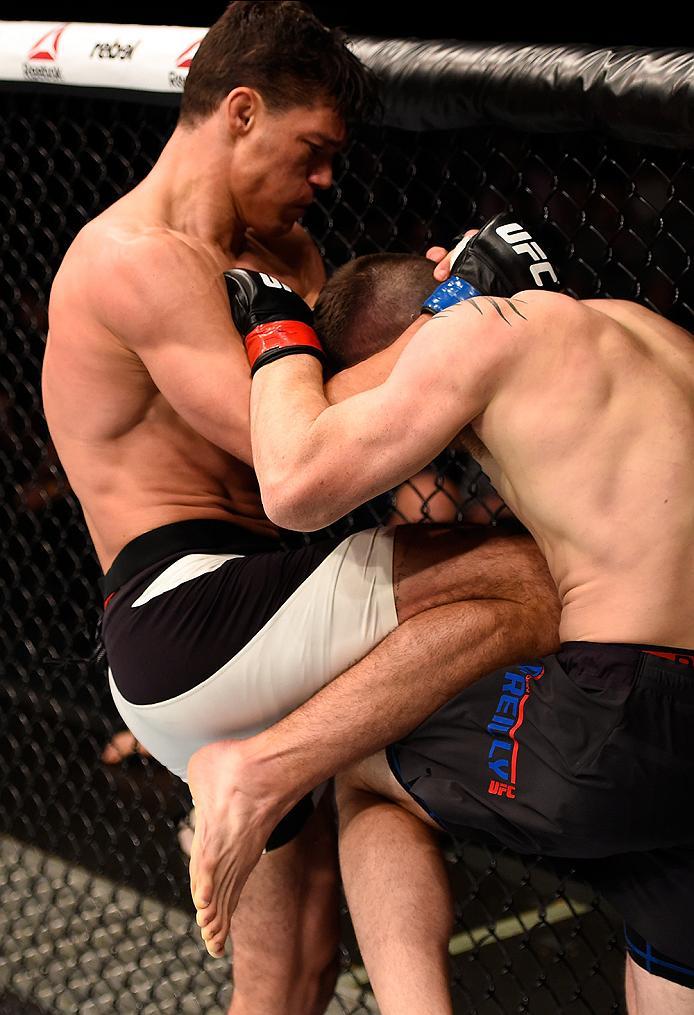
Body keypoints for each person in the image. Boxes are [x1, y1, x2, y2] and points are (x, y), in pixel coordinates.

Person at [42, 3, 560, 1010]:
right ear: (240, 111)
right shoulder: (137, 262)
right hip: (186, 614)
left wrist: (435, 313)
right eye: (313, 149)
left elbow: (384, 437)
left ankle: (263, 767)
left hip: (271, 618)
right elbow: (290, 450)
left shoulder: (293, 260)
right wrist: (465, 323)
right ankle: (259, 766)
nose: (326, 180)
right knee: (535, 577)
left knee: (293, 971)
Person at [200, 224, 694, 1012]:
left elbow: (292, 483)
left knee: (363, 758)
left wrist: (278, 326)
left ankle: (255, 779)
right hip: (672, 741)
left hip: (624, 706)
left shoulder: (470, 333)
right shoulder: (640, 327)